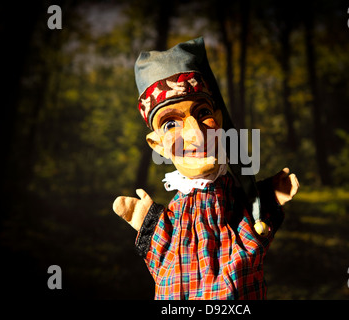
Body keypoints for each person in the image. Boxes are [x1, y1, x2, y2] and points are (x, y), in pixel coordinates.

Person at [113, 37, 299, 299]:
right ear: (157, 146)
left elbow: (252, 233)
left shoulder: (234, 199)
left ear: (219, 121)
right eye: (170, 125)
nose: (196, 134)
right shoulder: (179, 209)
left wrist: (268, 197)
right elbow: (166, 251)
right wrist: (150, 221)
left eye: (202, 114)